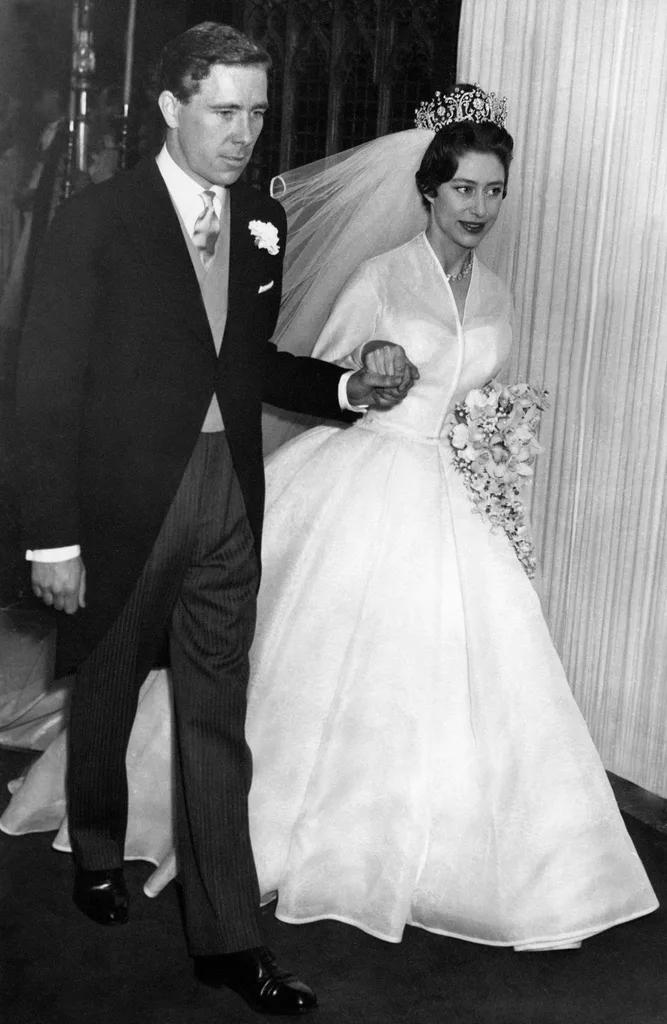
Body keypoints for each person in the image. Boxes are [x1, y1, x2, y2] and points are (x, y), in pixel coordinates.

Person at [3, 84, 658, 956]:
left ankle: (417, 850)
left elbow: (483, 396)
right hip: (361, 484)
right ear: (428, 189)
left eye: (493, 190)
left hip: (452, 502)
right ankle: (168, 845)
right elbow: (310, 372)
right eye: (462, 187)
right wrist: (361, 378)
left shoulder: (496, 292)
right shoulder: (380, 276)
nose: (478, 207)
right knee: (276, 675)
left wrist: (492, 448)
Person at [9, 22, 416, 1017]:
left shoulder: (259, 228)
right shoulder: (94, 221)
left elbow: (249, 365)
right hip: (120, 505)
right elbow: (46, 388)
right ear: (170, 107)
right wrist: (52, 537)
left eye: (258, 113)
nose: (244, 134)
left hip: (229, 496)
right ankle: (98, 848)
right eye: (224, 110)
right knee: (102, 691)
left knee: (215, 720)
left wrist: (349, 387)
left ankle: (229, 938)